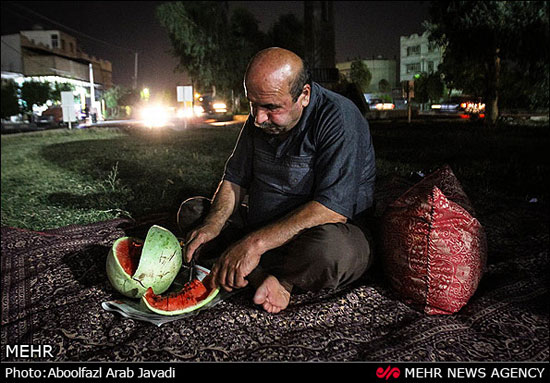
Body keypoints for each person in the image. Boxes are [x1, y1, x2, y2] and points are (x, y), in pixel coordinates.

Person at [180, 47, 376, 313]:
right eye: (253, 104)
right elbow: (234, 179)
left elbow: (332, 210)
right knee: (194, 213)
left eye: (271, 108)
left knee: (329, 251)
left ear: (304, 95)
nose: (259, 118)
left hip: (321, 235)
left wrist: (253, 244)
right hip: (264, 227)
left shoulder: (339, 117)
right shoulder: (260, 118)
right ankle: (261, 275)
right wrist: (213, 225)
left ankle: (279, 279)